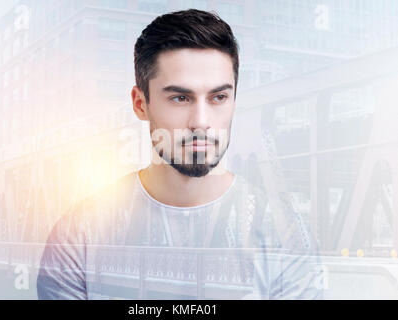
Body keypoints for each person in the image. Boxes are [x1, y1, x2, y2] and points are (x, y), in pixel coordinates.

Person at [37, 9, 323, 300]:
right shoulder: (78, 235)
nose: (200, 121)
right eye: (180, 98)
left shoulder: (285, 236)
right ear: (140, 104)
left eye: (219, 97)